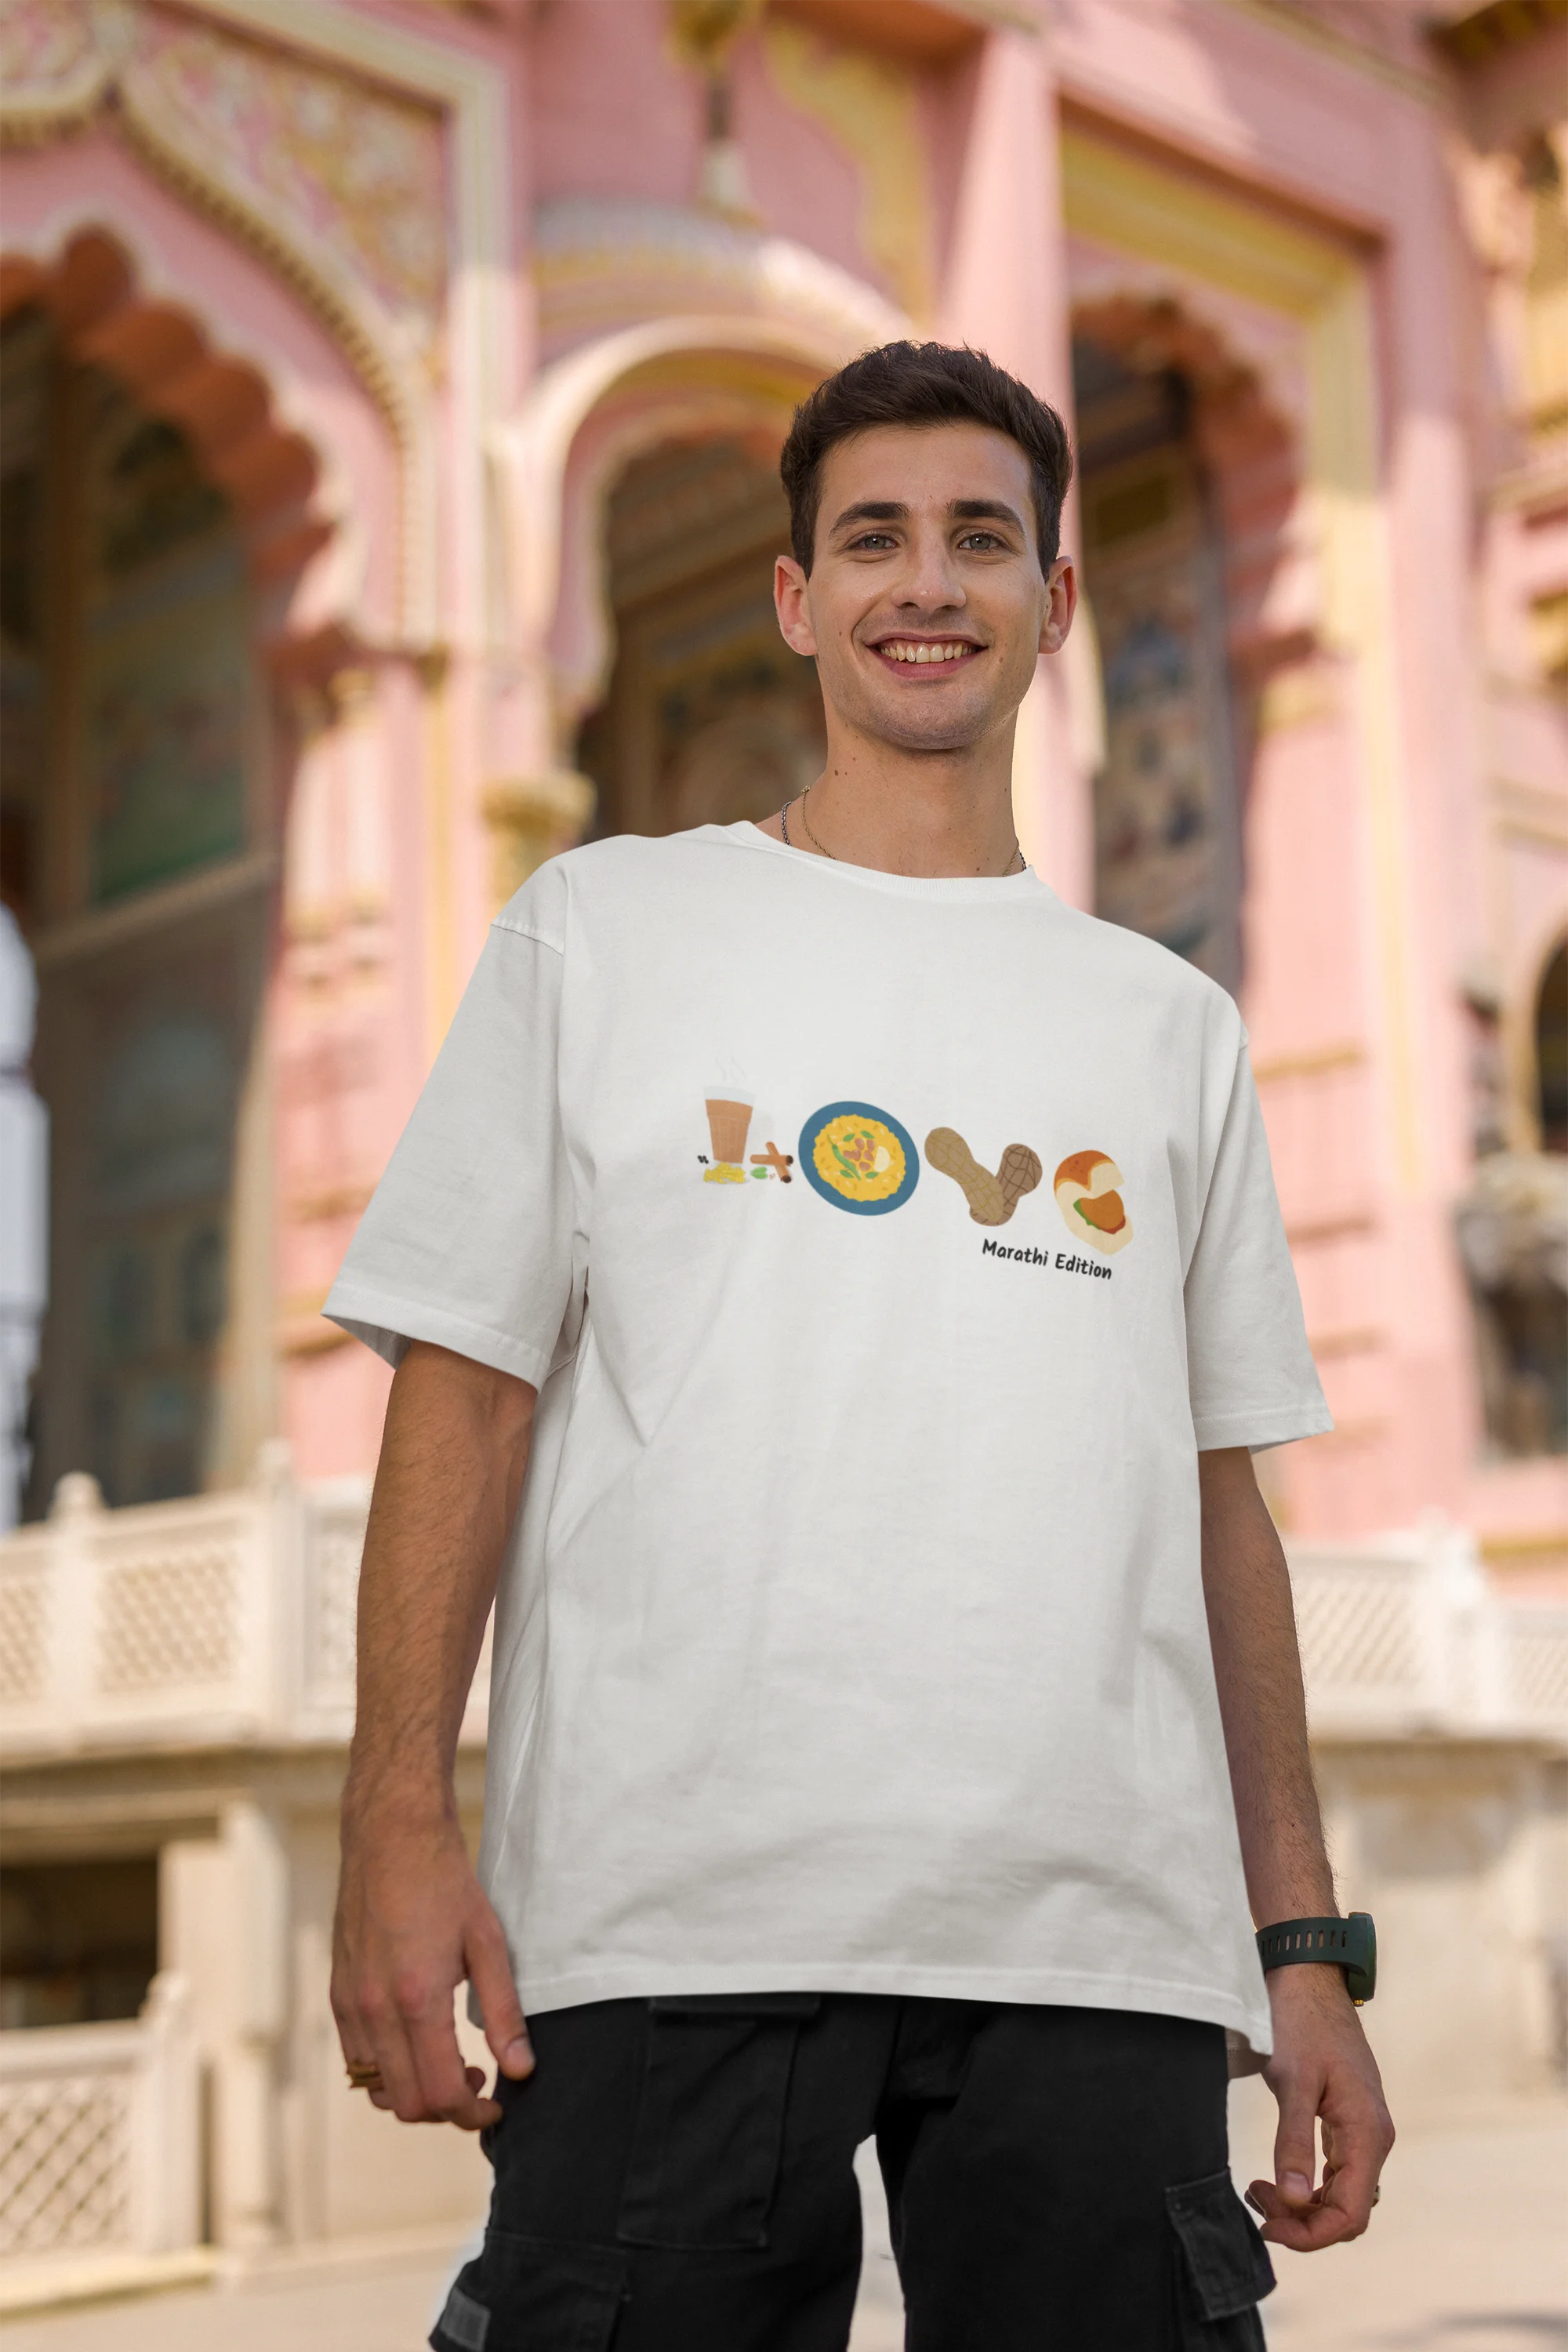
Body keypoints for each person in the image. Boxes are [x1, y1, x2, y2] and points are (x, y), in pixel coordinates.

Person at [326, 340, 1393, 2352]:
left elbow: (1217, 1505)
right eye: (874, 539)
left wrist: (1302, 1945)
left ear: (1053, 601)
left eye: (983, 539)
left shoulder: (1162, 1026)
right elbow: (463, 1377)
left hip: (1096, 1941)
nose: (930, 584)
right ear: (799, 597)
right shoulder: (604, 929)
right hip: (668, 1913)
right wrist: (393, 1819)